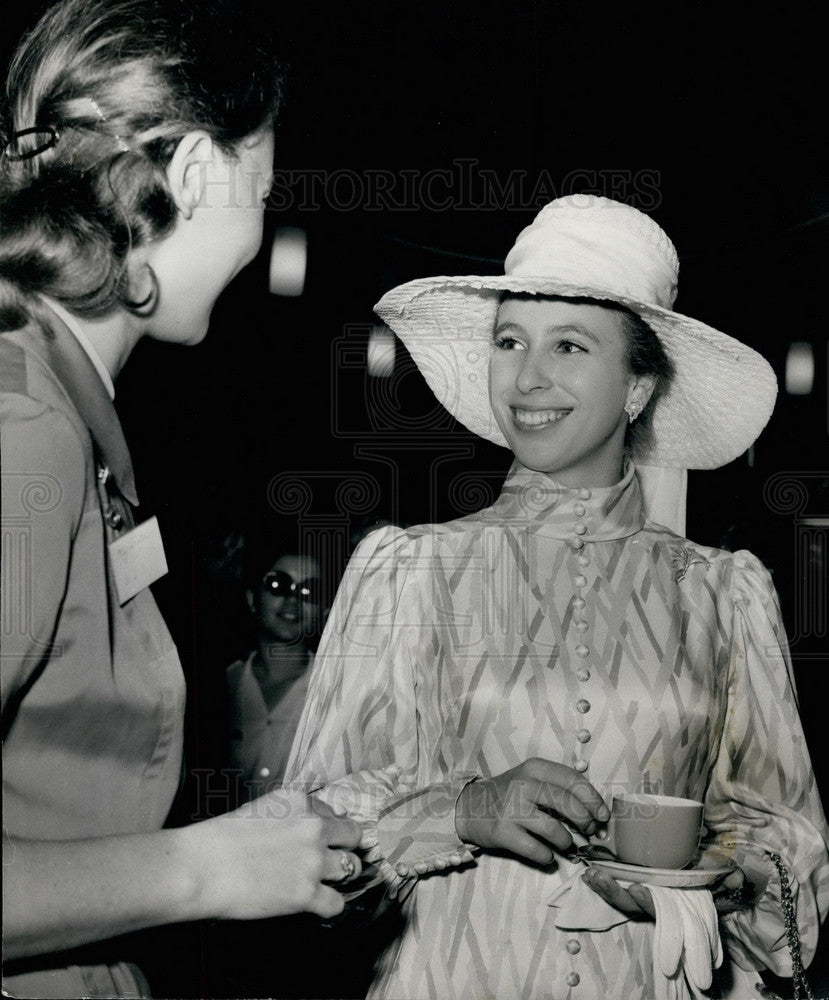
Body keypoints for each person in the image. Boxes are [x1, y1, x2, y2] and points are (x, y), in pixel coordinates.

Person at [285, 195, 829, 999]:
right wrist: (463, 813)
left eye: (569, 345)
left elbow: (786, 836)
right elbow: (312, 837)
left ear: (638, 385)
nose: (527, 377)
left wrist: (725, 873)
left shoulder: (724, 593)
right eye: (509, 341)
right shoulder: (407, 572)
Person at [0, 3, 361, 997]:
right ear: (196, 176)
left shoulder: (66, 421)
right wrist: (209, 869)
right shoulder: (28, 431)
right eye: (264, 189)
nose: (262, 229)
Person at [227, 532, 327, 799]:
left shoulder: (335, 693)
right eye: (278, 585)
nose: (293, 600)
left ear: (324, 611)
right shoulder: (222, 686)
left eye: (310, 591)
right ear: (252, 599)